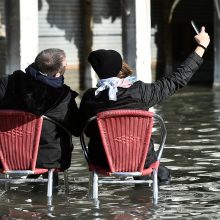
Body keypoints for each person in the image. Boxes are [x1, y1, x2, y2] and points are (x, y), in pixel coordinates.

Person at [79, 27, 210, 184]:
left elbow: (83, 131)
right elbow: (177, 79)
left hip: (103, 161)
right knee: (161, 173)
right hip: (141, 160)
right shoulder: (141, 92)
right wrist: (201, 46)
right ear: (120, 67)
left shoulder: (90, 98)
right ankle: (144, 202)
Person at [0, 48, 80, 170]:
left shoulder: (7, 83)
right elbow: (77, 129)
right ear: (57, 74)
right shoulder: (64, 97)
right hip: (47, 160)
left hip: (5, 157)